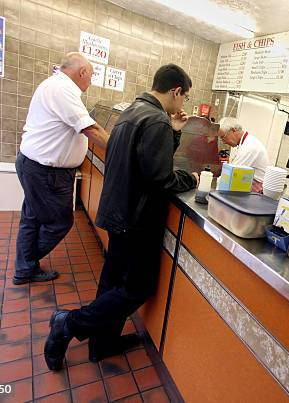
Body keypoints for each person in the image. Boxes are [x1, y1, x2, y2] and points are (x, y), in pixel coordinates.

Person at [44, 64, 199, 370]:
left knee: (112, 282)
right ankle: (69, 323)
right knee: (137, 287)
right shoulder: (156, 121)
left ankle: (102, 345)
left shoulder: (133, 110)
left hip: (117, 209)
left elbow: (146, 158)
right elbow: (161, 179)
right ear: (176, 91)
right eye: (185, 97)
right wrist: (191, 180)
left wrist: (174, 134)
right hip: (137, 219)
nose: (183, 104)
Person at [13, 52, 109, 285]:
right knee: (59, 223)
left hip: (35, 166)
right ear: (82, 72)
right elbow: (92, 130)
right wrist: (122, 150)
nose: (91, 81)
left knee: (32, 218)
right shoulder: (62, 89)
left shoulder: (54, 85)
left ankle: (24, 269)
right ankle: (27, 262)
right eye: (91, 76)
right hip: (46, 173)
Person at [218, 117, 270, 193]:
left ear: (233, 130)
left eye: (223, 137)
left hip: (257, 193)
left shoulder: (249, 147)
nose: (224, 142)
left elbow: (231, 176)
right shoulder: (246, 142)